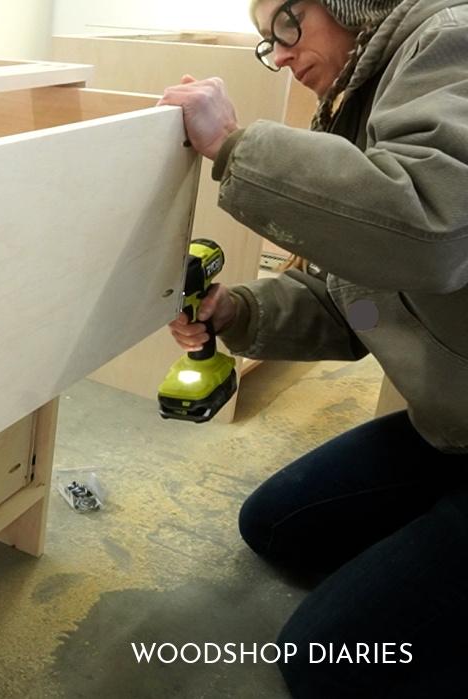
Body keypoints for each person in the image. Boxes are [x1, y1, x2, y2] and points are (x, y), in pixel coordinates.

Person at [157, 0, 468, 696]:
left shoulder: (454, 41)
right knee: (279, 524)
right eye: (270, 42)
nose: (284, 54)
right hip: (455, 429)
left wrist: (237, 147)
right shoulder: (362, 98)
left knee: (328, 661)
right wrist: (236, 310)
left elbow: (431, 231)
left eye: (287, 25)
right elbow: (358, 302)